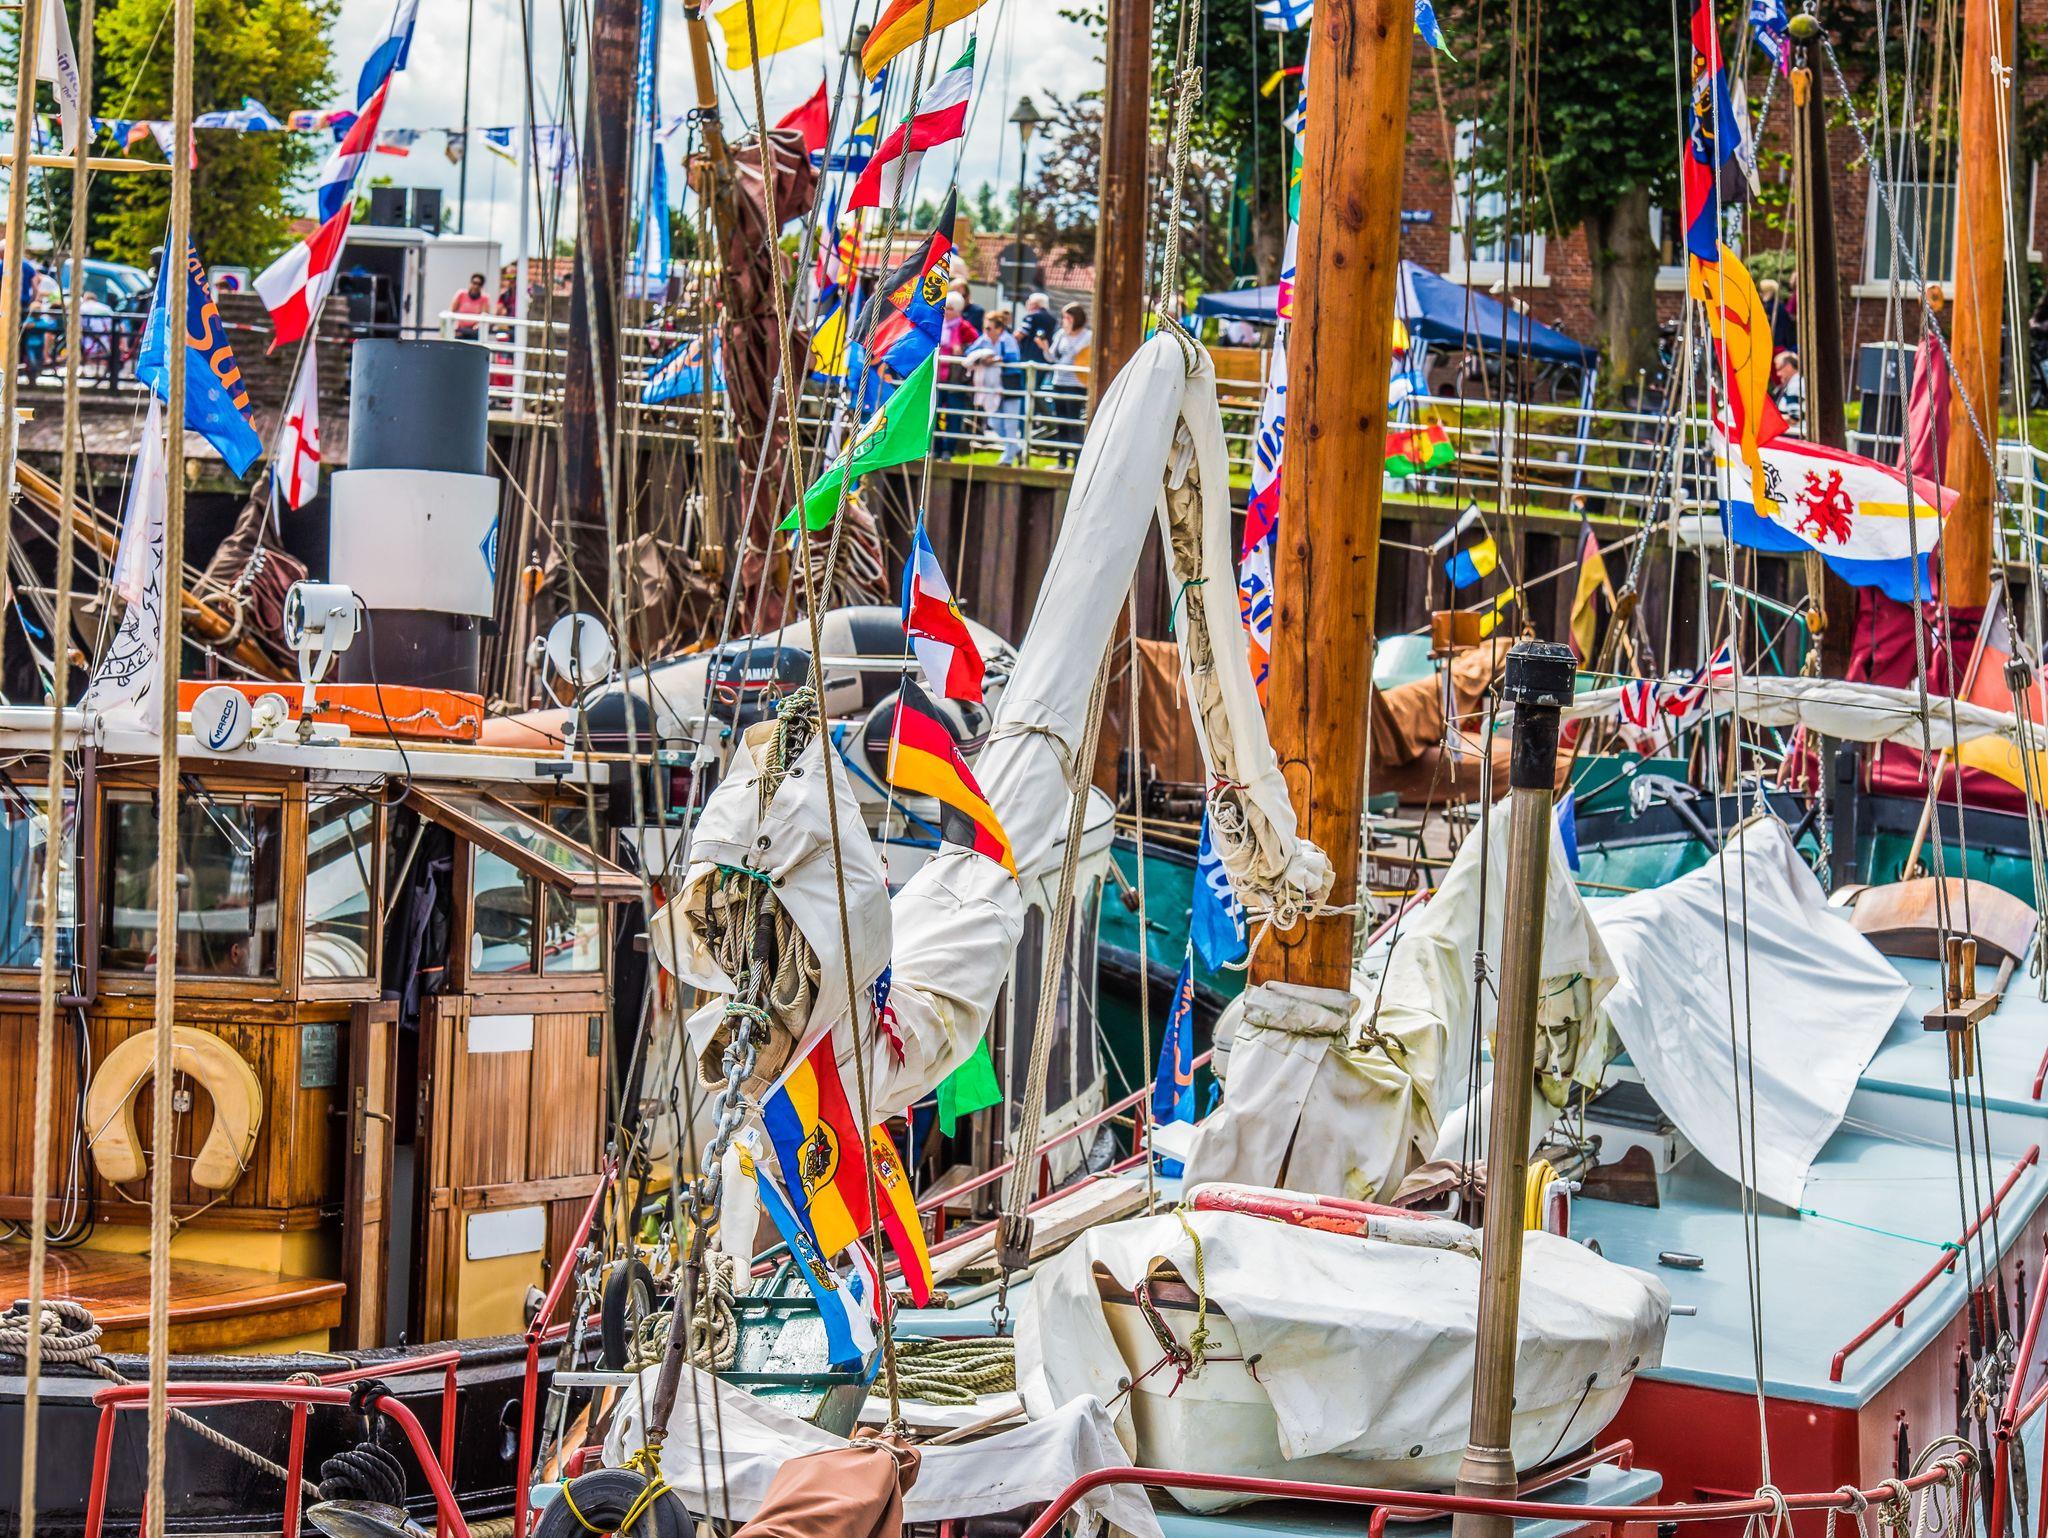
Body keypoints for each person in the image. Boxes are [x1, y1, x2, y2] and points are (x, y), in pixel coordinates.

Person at [965, 310, 1024, 465]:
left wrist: (995, 360)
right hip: (991, 387)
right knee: (994, 422)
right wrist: (981, 359)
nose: (986, 331)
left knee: (1010, 424)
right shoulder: (983, 340)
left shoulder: (1008, 340)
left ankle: (1007, 459)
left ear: (999, 329)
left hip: (1009, 386)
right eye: (985, 328)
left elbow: (1013, 358)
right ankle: (1016, 449)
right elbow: (969, 352)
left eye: (989, 328)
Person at [1046, 302, 1092, 468]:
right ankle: (1062, 460)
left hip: (1076, 383)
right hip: (1059, 381)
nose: (1064, 321)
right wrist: (1044, 347)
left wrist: (1069, 333)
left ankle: (1077, 462)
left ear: (1076, 318)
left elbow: (1074, 353)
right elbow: (1051, 357)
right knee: (1061, 422)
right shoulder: (1060, 334)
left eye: (1068, 317)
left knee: (1074, 422)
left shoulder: (1087, 335)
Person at [936, 292, 980, 456]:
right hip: (937, 378)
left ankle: (949, 449)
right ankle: (935, 448)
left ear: (959, 310)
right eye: (945, 308)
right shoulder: (937, 324)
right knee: (934, 413)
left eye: (951, 309)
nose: (947, 312)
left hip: (956, 379)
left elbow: (976, 347)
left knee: (954, 416)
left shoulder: (965, 328)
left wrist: (963, 350)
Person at [449, 272, 492, 339]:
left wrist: (476, 327)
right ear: (470, 283)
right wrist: (454, 327)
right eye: (474, 283)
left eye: (479, 284)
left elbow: (485, 315)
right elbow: (452, 311)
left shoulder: (485, 298)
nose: (476, 286)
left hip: (474, 331)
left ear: (482, 286)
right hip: (459, 329)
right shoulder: (461, 294)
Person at [1772, 350, 1805, 434]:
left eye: (1779, 369)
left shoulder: (1795, 384)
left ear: (1788, 366)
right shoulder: (1796, 382)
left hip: (1795, 435)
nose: (1778, 374)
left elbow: (1794, 418)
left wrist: (1768, 419)